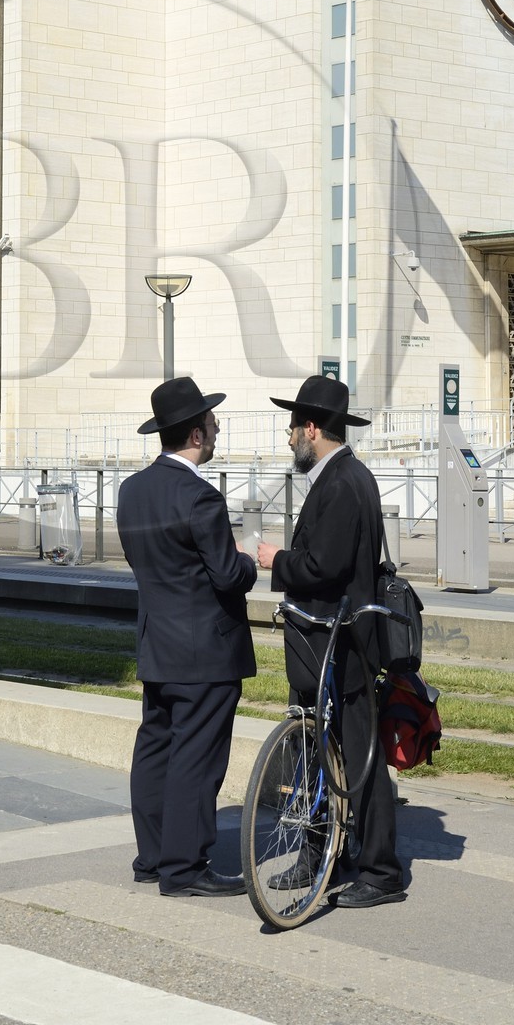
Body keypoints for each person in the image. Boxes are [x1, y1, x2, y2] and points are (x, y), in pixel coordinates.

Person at [257, 375, 405, 908]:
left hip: (342, 643)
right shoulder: (343, 475)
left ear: (312, 429)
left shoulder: (342, 482)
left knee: (361, 756)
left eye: (292, 428)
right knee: (322, 752)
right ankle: (322, 853)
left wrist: (277, 560)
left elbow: (326, 566)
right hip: (327, 639)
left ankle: (381, 871)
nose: (289, 438)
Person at [117, 377, 257, 897]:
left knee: (155, 749)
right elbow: (228, 575)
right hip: (206, 652)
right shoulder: (201, 496)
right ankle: (184, 867)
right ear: (196, 435)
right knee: (197, 759)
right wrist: (248, 560)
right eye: (213, 424)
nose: (217, 430)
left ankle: (153, 857)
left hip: (157, 642)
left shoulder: (132, 491)